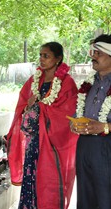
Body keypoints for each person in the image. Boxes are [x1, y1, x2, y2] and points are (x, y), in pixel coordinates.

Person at [6, 42, 79, 208]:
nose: (41, 59)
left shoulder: (67, 83)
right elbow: (22, 108)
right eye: (40, 55)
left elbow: (68, 113)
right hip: (33, 144)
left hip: (52, 146)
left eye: (46, 56)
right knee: (31, 180)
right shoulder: (34, 80)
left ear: (58, 59)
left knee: (48, 183)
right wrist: (29, 106)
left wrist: (42, 108)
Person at [71, 34, 111, 209]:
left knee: (105, 198)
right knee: (85, 197)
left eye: (98, 53)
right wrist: (74, 123)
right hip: (85, 148)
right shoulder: (90, 84)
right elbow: (78, 112)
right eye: (93, 51)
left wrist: (106, 127)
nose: (92, 56)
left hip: (107, 148)